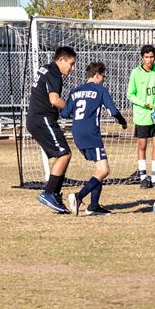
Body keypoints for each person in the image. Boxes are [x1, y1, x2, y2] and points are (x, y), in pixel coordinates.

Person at [61, 62, 128, 216]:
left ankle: (94, 206)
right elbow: (113, 111)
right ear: (97, 75)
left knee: (99, 170)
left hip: (77, 133)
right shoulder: (100, 90)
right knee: (104, 170)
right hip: (91, 134)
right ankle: (78, 197)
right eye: (103, 76)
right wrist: (123, 122)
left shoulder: (75, 91)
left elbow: (64, 114)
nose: (104, 79)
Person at [26, 46, 76, 214]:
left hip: (38, 119)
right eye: (71, 63)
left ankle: (53, 194)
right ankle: (49, 193)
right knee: (64, 154)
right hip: (42, 119)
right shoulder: (54, 73)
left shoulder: (46, 69)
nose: (72, 68)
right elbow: (54, 100)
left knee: (63, 154)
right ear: (61, 60)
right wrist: (72, 110)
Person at [126, 44, 155, 188]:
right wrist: (143, 103)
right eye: (146, 57)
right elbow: (130, 94)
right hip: (142, 116)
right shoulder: (135, 73)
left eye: (151, 57)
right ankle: (143, 177)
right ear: (142, 58)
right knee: (142, 145)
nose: (149, 60)